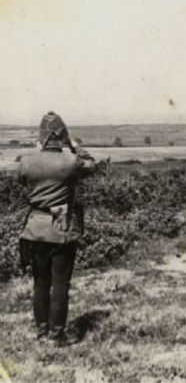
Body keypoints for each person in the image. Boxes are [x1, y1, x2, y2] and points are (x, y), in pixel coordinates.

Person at [18, 112, 96, 343]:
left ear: (41, 136)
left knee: (40, 283)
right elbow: (91, 165)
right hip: (62, 226)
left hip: (35, 227)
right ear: (62, 135)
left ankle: (41, 332)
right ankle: (57, 335)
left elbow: (22, 181)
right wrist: (75, 146)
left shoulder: (26, 161)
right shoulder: (70, 162)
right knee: (60, 283)